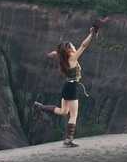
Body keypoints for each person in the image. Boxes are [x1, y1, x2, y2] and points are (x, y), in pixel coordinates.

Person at [34, 17, 109, 147]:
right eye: (72, 46)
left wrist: (53, 53)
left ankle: (42, 107)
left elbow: (56, 52)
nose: (74, 46)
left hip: (66, 87)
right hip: (72, 87)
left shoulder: (63, 57)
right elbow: (84, 46)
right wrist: (92, 33)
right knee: (73, 115)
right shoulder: (72, 58)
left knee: (64, 111)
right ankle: (68, 140)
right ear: (69, 50)